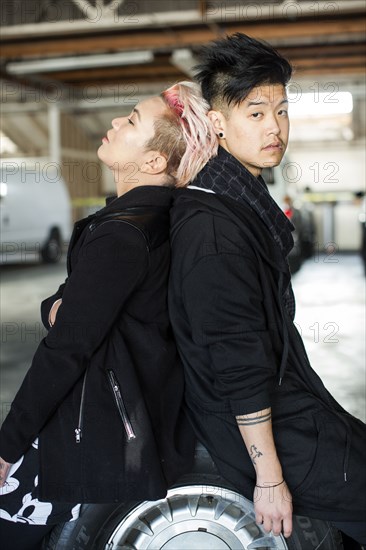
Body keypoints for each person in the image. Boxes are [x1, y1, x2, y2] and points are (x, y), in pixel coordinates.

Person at [0, 81, 218, 550]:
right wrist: (62, 307)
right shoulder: (153, 220)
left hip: (100, 425)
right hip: (137, 413)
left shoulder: (122, 236)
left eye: (132, 120)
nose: (116, 123)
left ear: (154, 162)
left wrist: (8, 444)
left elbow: (66, 347)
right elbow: (66, 304)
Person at [168, 33, 366, 547]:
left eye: (281, 111)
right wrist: (270, 478)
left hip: (292, 400)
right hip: (255, 427)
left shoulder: (239, 198)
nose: (275, 127)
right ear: (217, 122)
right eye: (255, 113)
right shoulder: (214, 231)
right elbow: (236, 358)